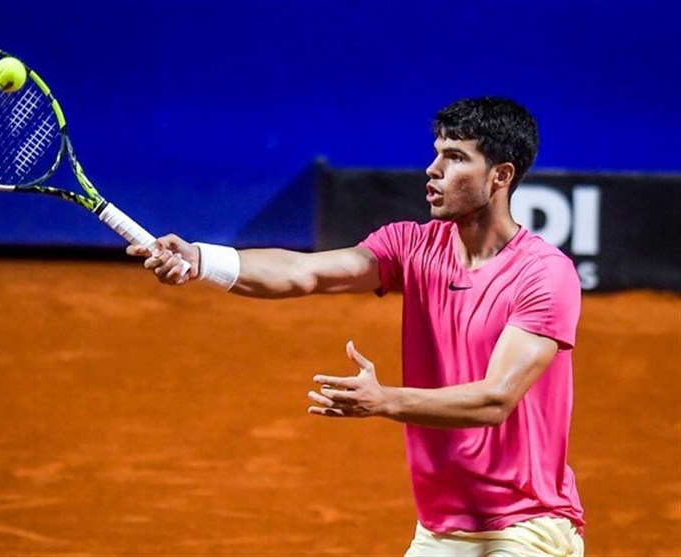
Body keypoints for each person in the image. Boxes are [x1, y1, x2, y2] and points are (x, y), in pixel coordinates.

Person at [127, 97, 585, 556]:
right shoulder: (411, 246)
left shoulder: (544, 274)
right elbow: (303, 272)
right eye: (437, 153)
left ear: (501, 176)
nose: (433, 170)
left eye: (456, 157)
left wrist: (384, 400)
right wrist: (202, 259)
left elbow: (495, 399)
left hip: (529, 525)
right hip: (441, 529)